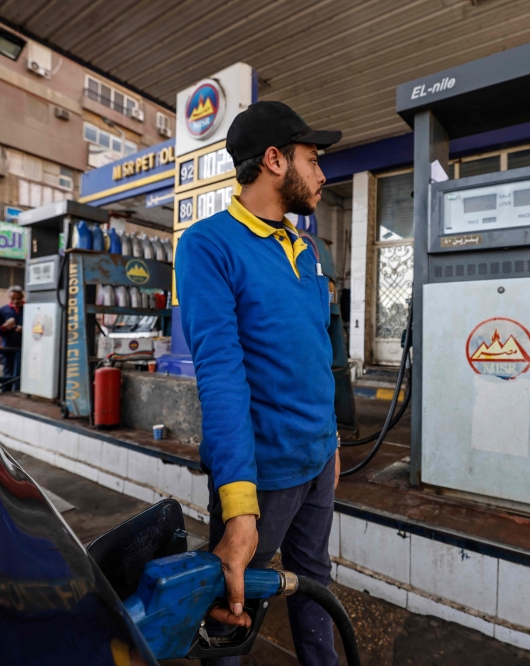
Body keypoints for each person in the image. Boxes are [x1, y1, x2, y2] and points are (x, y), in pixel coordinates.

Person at [175, 101, 342, 666]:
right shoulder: (208, 246)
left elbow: (315, 356)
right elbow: (220, 377)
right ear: (274, 160)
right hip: (262, 477)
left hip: (318, 462)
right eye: (312, 159)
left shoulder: (306, 247)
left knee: (313, 582)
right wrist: (239, 507)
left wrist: (334, 443)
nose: (322, 174)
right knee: (232, 609)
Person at [0, 285, 24, 391]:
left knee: (20, 373)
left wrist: (25, 329)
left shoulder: (29, 308)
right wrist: (4, 327)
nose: (15, 301)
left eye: (18, 298)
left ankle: (18, 393)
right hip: (8, 347)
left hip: (24, 347)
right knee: (8, 372)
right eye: (13, 298)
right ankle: (4, 393)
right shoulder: (3, 310)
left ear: (22, 297)